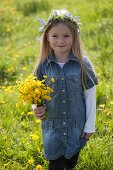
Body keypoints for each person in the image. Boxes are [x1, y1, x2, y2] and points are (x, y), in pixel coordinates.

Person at [32, 9, 98, 170]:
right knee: (55, 164)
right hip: (52, 127)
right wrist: (36, 108)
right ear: (47, 37)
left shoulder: (83, 64)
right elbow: (34, 94)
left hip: (76, 127)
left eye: (66, 36)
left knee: (71, 162)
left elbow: (90, 96)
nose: (60, 40)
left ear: (74, 37)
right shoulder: (43, 65)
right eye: (55, 36)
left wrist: (90, 126)